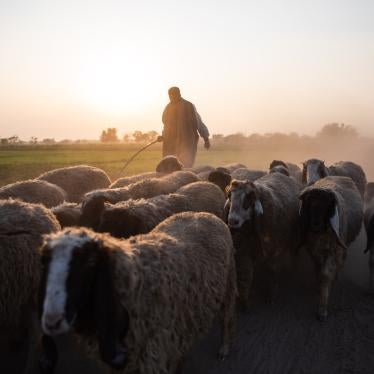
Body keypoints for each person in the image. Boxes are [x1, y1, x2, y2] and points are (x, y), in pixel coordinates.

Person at [161, 86, 210, 167]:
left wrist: (206, 138)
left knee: (185, 165)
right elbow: (166, 124)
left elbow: (198, 122)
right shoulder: (168, 107)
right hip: (170, 142)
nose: (171, 97)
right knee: (169, 166)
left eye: (174, 95)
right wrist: (163, 136)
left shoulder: (188, 106)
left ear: (179, 94)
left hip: (187, 142)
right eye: (170, 95)